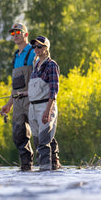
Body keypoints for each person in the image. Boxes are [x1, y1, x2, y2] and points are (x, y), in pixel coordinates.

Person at [1, 23, 36, 171]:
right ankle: (26, 166)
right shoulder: (16, 56)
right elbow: (15, 85)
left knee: (40, 132)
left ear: (26, 35)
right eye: (13, 33)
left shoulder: (34, 52)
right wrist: (9, 104)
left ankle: (51, 163)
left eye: (18, 32)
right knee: (18, 135)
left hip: (33, 99)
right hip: (18, 102)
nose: (15, 35)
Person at [28, 36, 60, 171]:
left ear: (46, 48)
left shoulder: (52, 65)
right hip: (32, 107)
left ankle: (45, 171)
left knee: (44, 142)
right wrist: (23, 94)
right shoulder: (35, 65)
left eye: (39, 46)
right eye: (34, 47)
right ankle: (53, 166)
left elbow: (53, 91)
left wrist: (48, 111)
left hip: (45, 106)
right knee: (36, 142)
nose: (36, 49)